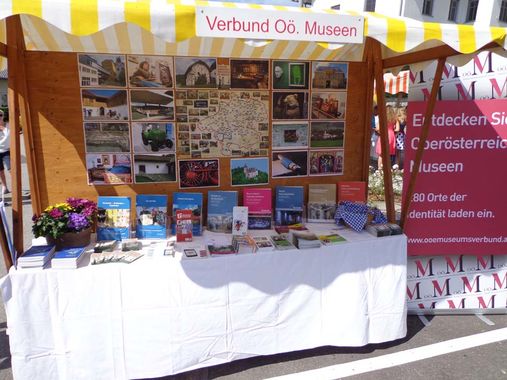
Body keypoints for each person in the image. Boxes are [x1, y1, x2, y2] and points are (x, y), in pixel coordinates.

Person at [374, 105, 397, 170]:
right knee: (388, 154)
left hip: (384, 134)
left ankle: (379, 169)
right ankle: (386, 169)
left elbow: (378, 128)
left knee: (381, 154)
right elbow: (397, 129)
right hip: (391, 135)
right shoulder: (394, 119)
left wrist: (379, 132)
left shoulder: (382, 118)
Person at [0, 110, 10, 194]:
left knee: (11, 169)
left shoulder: (8, 126)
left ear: (3, 116)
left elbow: (8, 138)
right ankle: (5, 186)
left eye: (0, 115)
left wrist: (3, 129)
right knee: (1, 171)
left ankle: (17, 185)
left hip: (7, 151)